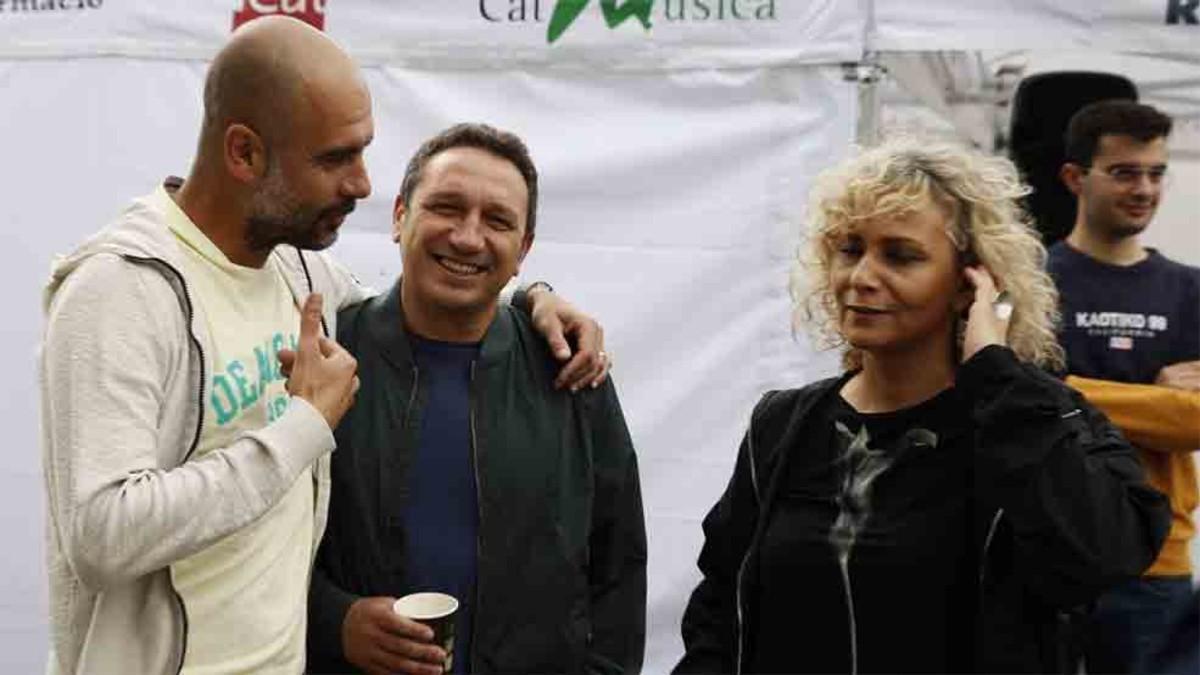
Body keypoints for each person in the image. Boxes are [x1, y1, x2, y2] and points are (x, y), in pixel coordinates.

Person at [40, 18, 607, 675]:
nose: (363, 184)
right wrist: (301, 427)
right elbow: (102, 534)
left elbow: (430, 298)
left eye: (363, 152)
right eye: (335, 158)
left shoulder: (296, 270)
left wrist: (532, 297)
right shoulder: (120, 289)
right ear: (245, 154)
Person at [674, 137, 1170, 674]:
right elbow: (721, 610)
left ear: (968, 284)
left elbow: (1101, 554)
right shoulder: (784, 425)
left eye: (900, 256)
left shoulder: (1034, 416)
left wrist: (997, 374)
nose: (862, 276)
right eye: (849, 249)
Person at [306, 123, 647, 675]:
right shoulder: (328, 357)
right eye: (446, 207)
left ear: (523, 250)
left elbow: (618, 573)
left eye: (498, 220)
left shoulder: (571, 372)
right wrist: (332, 620)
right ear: (399, 217)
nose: (468, 237)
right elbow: (253, 544)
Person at [1052, 99, 1200, 674]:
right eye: (1124, 172)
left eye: (1156, 173)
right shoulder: (1034, 281)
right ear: (1074, 177)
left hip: (1155, 563)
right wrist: (1155, 400)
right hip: (1050, 551)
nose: (1144, 188)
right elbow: (1009, 404)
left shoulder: (1189, 291)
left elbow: (1192, 421)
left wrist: (1061, 388)